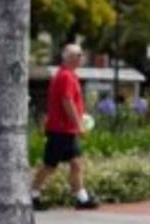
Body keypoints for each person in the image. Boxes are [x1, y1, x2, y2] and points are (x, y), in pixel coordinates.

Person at [31, 43, 99, 210]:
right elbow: (67, 101)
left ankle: (81, 198)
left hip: (65, 130)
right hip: (60, 130)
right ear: (69, 57)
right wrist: (79, 125)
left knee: (75, 163)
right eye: (78, 55)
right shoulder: (66, 76)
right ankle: (32, 195)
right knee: (49, 166)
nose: (81, 58)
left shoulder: (68, 75)